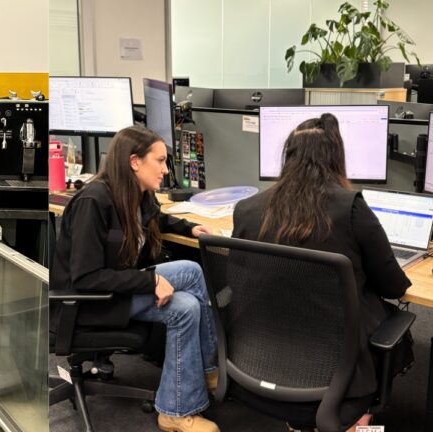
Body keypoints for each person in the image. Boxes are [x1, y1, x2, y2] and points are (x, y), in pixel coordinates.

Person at [232, 113, 413, 431]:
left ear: (288, 158)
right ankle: (359, 418)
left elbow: (241, 281)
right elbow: (393, 286)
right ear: (335, 158)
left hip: (257, 362)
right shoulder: (350, 207)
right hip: (337, 377)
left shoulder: (246, 210)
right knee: (394, 323)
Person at [51, 125, 220, 432]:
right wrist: (150, 282)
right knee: (189, 289)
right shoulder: (94, 202)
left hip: (116, 293)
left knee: (188, 294)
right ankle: (203, 379)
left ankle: (181, 401)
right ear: (134, 162)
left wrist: (189, 229)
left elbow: (157, 217)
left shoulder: (135, 195)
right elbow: (87, 277)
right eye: (160, 160)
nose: (165, 169)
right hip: (86, 304)